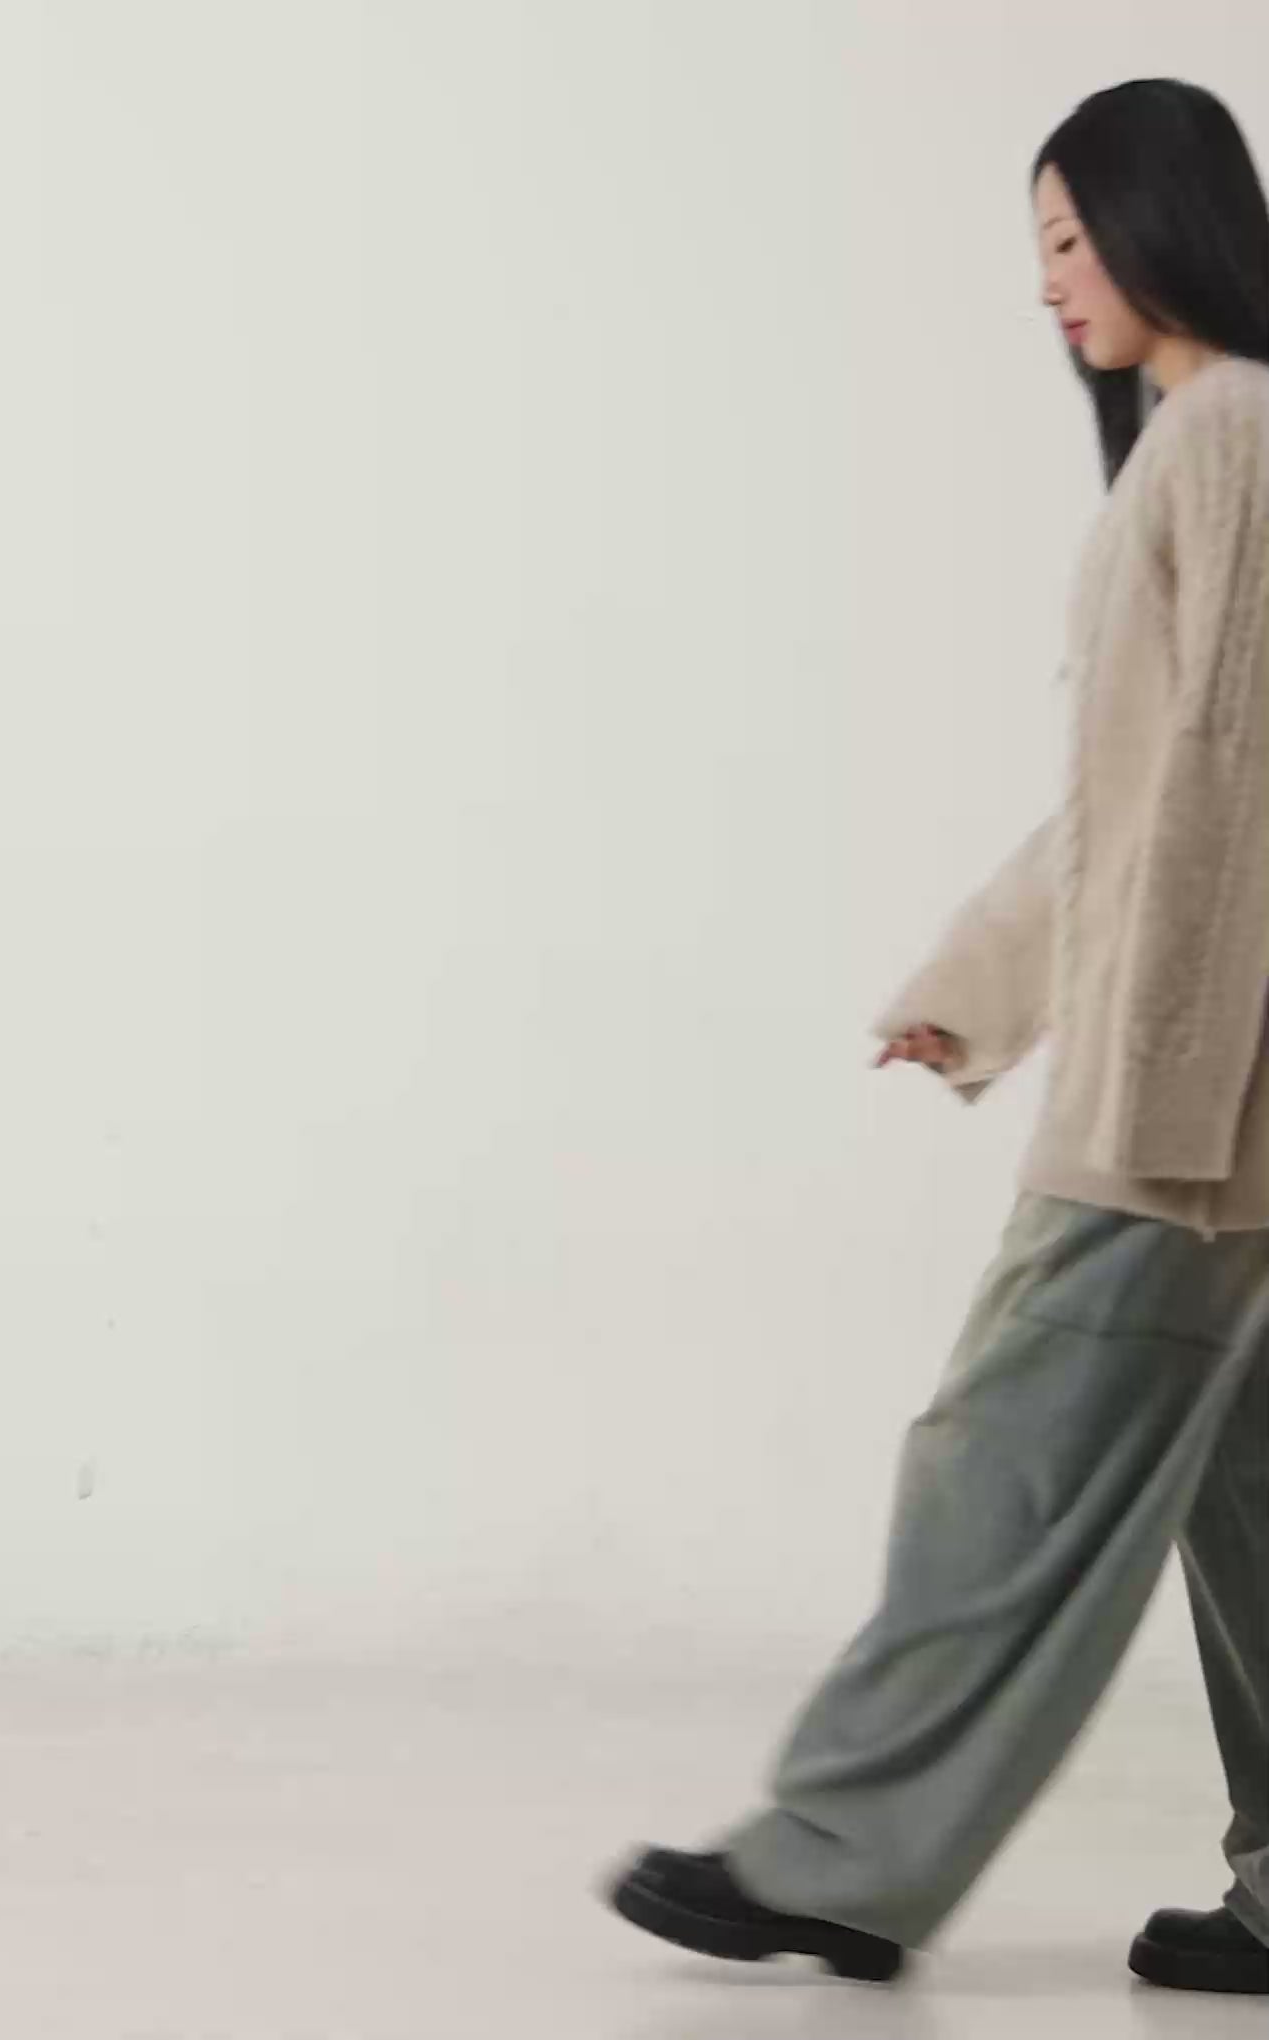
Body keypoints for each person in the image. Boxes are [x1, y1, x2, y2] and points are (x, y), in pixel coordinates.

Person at [598, 77, 1269, 1997]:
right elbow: (1134, 801)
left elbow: (1222, 788)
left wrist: (1145, 1094)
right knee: (1248, 1502)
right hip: (1229, 1087)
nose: (1049, 281)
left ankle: (837, 1859)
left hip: (1196, 1103)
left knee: (1005, 1458)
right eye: (1035, 248)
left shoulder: (1231, 430)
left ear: (1163, 217)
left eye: (1068, 236)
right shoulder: (1210, 437)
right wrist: (981, 984)